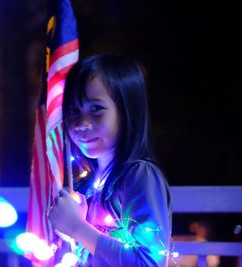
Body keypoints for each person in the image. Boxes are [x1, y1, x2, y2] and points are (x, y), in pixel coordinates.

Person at [48, 54, 173, 266]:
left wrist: (77, 227)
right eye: (73, 111)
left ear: (127, 111)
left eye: (96, 109)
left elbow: (149, 262)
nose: (81, 123)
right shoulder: (88, 186)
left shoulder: (139, 175)